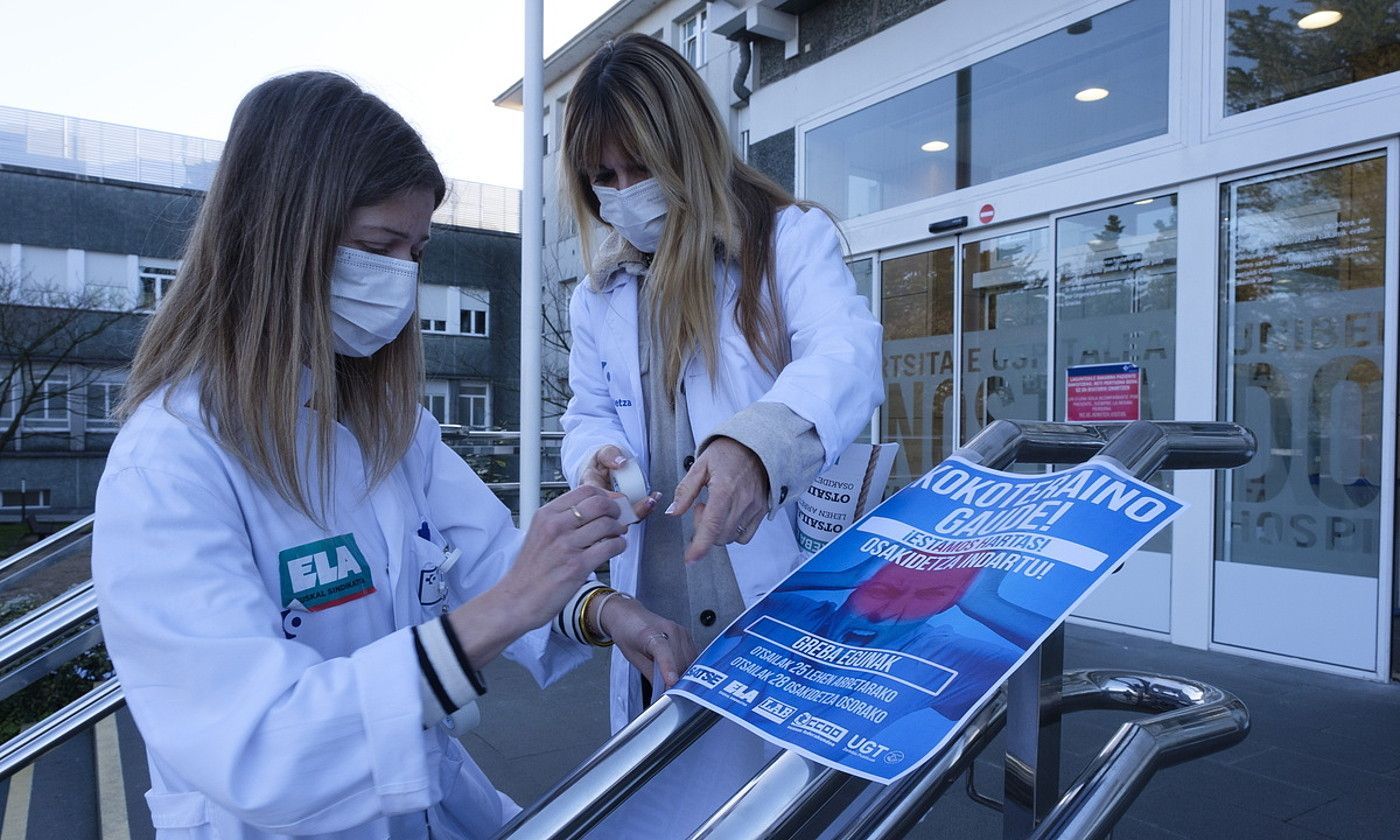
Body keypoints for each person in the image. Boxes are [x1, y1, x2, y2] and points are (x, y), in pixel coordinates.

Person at [91, 71, 686, 840]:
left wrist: (604, 610)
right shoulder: (169, 467)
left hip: (429, 809)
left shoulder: (386, 425)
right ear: (279, 242)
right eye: (379, 246)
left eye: (417, 250)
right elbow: (261, 744)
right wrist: (500, 613)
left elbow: (488, 559)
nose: (402, 278)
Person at [558, 34, 884, 833]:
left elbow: (848, 355)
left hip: (770, 610)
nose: (626, 193)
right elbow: (586, 411)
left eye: (642, 166)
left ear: (691, 148)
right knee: (662, 807)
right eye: (605, 177)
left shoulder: (784, 242)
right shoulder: (598, 295)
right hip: (659, 614)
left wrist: (755, 443)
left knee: (782, 810)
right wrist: (592, 459)